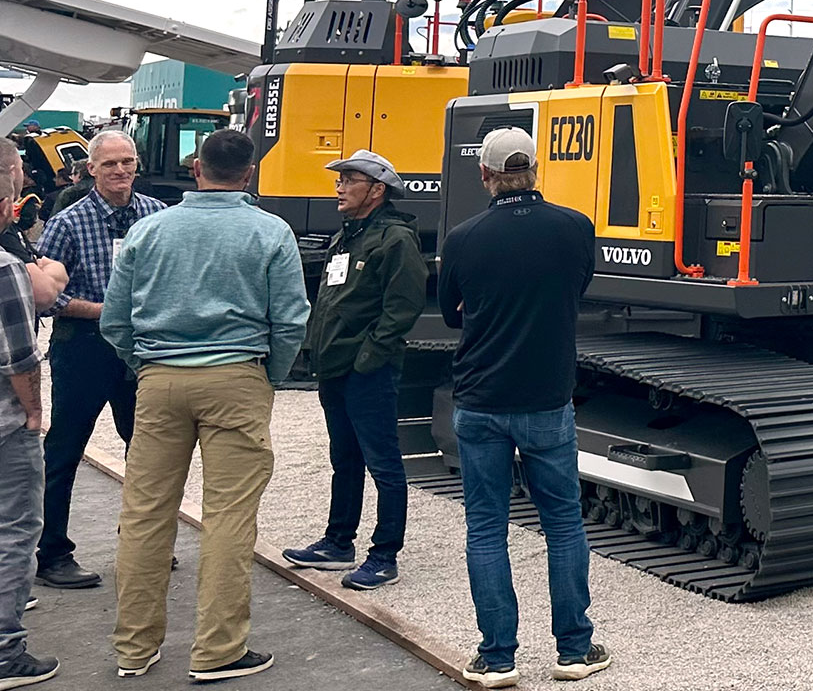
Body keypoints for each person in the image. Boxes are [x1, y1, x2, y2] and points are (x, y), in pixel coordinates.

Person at [101, 127, 308, 682]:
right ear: (249, 173)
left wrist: (144, 363)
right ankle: (218, 650)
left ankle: (134, 648)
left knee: (145, 514)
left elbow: (114, 319)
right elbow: (291, 318)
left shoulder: (149, 230)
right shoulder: (270, 231)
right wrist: (269, 377)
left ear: (196, 168)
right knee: (228, 516)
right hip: (237, 376)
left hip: (160, 379)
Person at [436, 129, 611, 686]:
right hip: (546, 398)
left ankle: (497, 657)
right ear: (536, 169)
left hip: (481, 398)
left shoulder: (463, 238)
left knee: (486, 527)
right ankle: (574, 650)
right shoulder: (575, 227)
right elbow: (576, 289)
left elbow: (450, 314)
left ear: (484, 175)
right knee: (563, 522)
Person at [281, 151, 426, 591]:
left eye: (349, 180)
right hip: (335, 367)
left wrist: (367, 359)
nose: (339, 187)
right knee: (344, 458)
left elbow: (402, 308)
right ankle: (338, 542)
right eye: (339, 180)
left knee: (383, 463)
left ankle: (384, 555)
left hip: (367, 372)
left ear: (377, 189)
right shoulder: (346, 237)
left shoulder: (395, 240)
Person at [32, 129, 160, 590]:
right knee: (64, 450)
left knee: (146, 451)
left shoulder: (157, 216)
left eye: (127, 162)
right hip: (83, 347)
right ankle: (51, 554)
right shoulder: (68, 223)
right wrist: (104, 311)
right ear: (91, 170)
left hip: (141, 349)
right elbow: (44, 295)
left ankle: (142, 544)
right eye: (109, 164)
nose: (120, 171)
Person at [0, 144, 59, 687]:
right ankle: (4, 651)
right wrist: (34, 411)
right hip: (4, 423)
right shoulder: (6, 268)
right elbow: (21, 357)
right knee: (16, 529)